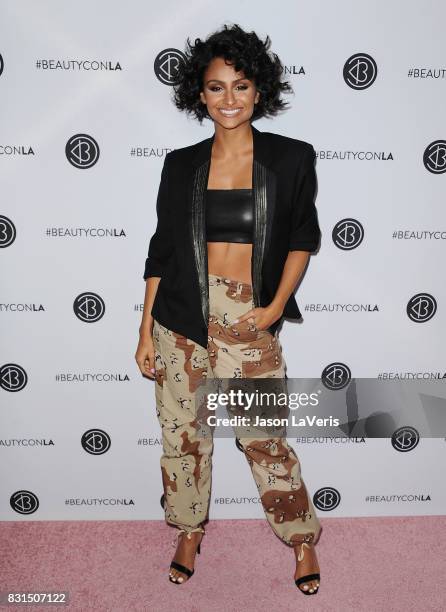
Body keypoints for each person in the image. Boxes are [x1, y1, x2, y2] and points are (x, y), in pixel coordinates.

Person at [135, 23, 322, 595]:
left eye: (241, 86)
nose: (229, 99)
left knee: (263, 436)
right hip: (180, 318)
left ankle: (301, 537)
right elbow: (162, 250)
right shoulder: (180, 163)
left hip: (248, 317)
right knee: (183, 436)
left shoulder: (291, 158)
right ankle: (188, 531)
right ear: (200, 93)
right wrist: (145, 330)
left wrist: (273, 309)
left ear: (259, 91)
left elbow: (301, 238)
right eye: (216, 88)